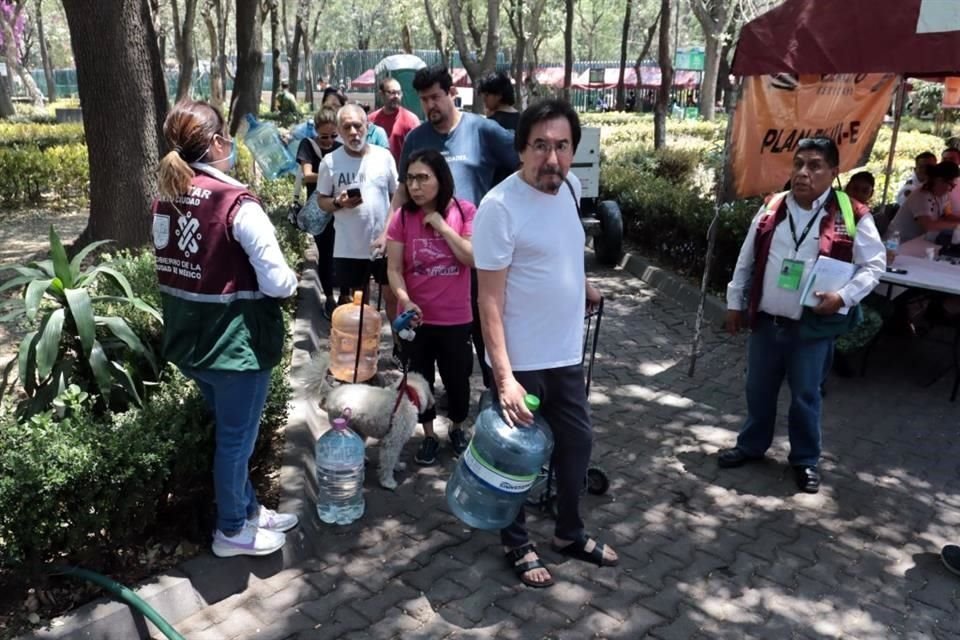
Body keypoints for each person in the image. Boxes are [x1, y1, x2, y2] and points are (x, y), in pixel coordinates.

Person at [473, 99, 618, 589]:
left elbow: (565, 249)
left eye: (562, 146)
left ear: (573, 150)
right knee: (516, 457)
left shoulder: (571, 187)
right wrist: (504, 377)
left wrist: (583, 287)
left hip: (565, 353)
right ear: (520, 151)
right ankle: (516, 541)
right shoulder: (498, 207)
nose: (551, 158)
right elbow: (488, 300)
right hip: (522, 363)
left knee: (577, 443)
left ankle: (568, 533)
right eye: (540, 146)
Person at [153, 100, 300, 557]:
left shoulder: (169, 195)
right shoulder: (237, 203)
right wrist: (293, 280)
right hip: (236, 347)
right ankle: (232, 529)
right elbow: (278, 281)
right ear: (217, 143)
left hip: (192, 344)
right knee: (236, 441)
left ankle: (250, 509)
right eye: (227, 137)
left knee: (230, 432)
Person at [719, 137, 886, 494]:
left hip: (812, 329)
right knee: (758, 390)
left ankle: (805, 460)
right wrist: (735, 303)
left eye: (814, 166)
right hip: (767, 323)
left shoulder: (852, 213)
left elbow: (874, 266)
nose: (803, 173)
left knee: (805, 397)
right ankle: (751, 446)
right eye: (798, 164)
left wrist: (843, 296)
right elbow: (746, 259)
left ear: (833, 172)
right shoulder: (773, 207)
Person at [392, 65, 519, 403]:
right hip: (429, 266)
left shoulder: (483, 131)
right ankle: (435, 403)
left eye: (435, 97)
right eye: (423, 100)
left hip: (476, 255)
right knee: (432, 339)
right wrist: (387, 231)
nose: (430, 105)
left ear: (452, 94)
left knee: (487, 332)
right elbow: (403, 191)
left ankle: (498, 397)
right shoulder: (417, 138)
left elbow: (523, 164)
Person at [386, 149, 476, 465]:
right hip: (415, 321)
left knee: (457, 379)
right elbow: (394, 269)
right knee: (419, 381)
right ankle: (428, 435)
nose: (415, 185)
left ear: (441, 179)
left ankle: (457, 427)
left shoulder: (464, 212)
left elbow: (472, 258)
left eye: (423, 177)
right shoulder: (401, 218)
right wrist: (405, 300)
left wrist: (441, 226)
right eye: (410, 178)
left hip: (455, 318)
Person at [315, 104, 398, 307]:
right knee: (357, 305)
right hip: (349, 247)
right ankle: (363, 340)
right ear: (339, 131)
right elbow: (321, 201)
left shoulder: (384, 157)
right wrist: (338, 202)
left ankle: (398, 340)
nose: (353, 132)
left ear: (367, 126)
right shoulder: (330, 162)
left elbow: (397, 197)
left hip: (384, 244)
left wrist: (387, 233)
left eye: (357, 126)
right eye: (346, 127)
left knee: (392, 299)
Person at [297, 107, 342, 318]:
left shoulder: (342, 147)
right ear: (316, 131)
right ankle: (329, 299)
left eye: (333, 136)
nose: (329, 141)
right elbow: (307, 176)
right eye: (324, 136)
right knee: (325, 255)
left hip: (341, 209)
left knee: (341, 254)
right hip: (319, 211)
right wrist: (328, 177)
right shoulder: (308, 145)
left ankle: (344, 295)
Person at [885, 162, 960, 243]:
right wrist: (956, 226)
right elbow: (928, 225)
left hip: (919, 240)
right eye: (951, 185)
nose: (951, 189)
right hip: (898, 242)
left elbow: (947, 215)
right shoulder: (921, 195)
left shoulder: (942, 195)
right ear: (939, 180)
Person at [477, 71, 520, 188]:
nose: (484, 100)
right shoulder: (525, 121)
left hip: (494, 185)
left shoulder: (488, 124)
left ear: (499, 95)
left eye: (487, 95)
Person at [369, 77, 421, 164]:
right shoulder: (370, 120)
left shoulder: (411, 120)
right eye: (392, 93)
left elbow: (419, 151)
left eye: (399, 93)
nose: (396, 96)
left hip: (403, 175)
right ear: (381, 94)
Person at [321, 87, 389, 151]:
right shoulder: (318, 130)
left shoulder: (376, 132)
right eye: (327, 106)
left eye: (335, 105)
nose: (353, 132)